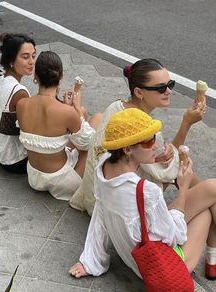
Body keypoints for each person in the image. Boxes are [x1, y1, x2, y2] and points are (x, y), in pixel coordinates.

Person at [69, 108, 216, 281]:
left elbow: (100, 218)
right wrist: (183, 189)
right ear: (127, 149)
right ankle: (212, 258)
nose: (155, 145)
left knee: (211, 189)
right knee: (207, 207)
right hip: (163, 267)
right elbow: (176, 235)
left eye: (155, 137)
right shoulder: (146, 190)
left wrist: (91, 260)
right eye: (148, 142)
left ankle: (213, 259)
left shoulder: (103, 168)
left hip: (134, 256)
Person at [69, 58, 206, 215]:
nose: (169, 91)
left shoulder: (117, 107)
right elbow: (172, 166)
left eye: (170, 84)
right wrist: (186, 122)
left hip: (95, 196)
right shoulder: (142, 129)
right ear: (139, 92)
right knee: (198, 180)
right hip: (115, 209)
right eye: (161, 88)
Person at [17, 51, 101, 200]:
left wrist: (69, 109)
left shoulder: (22, 105)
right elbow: (88, 143)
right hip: (63, 183)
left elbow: (44, 130)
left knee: (78, 124)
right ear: (61, 76)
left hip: (35, 177)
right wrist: (76, 109)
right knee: (98, 119)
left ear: (35, 77)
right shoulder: (66, 112)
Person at [0, 33, 36, 174]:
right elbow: (32, 130)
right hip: (15, 160)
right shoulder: (20, 91)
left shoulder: (0, 80)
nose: (32, 61)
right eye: (25, 57)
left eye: (33, 55)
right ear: (10, 60)